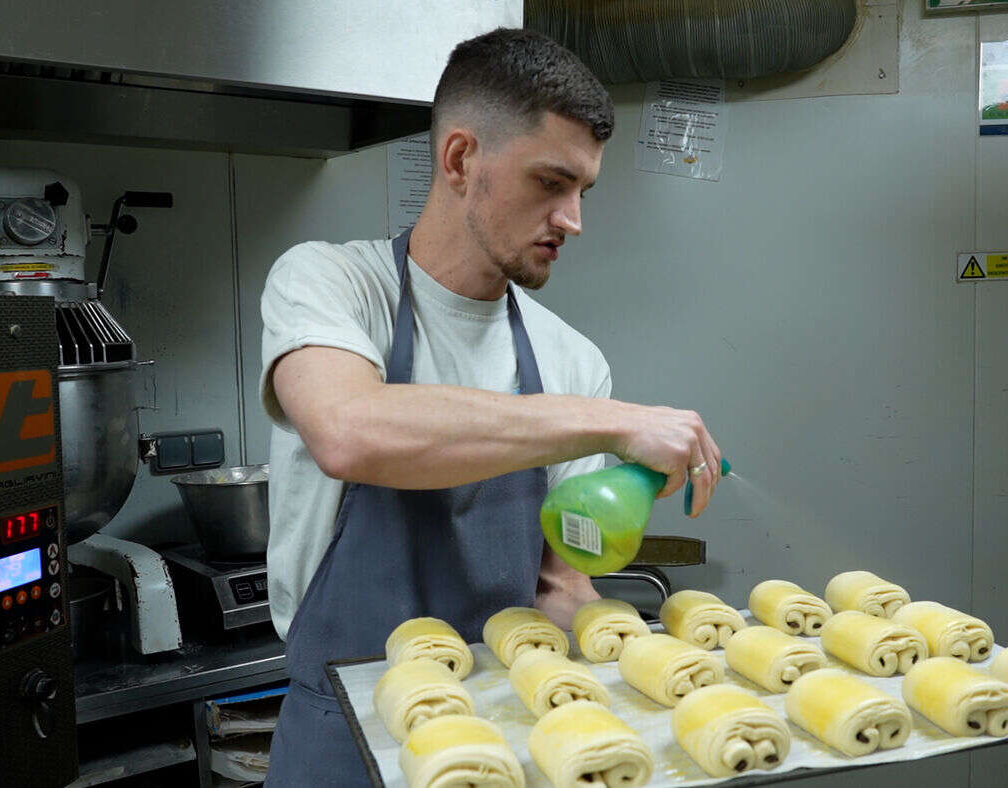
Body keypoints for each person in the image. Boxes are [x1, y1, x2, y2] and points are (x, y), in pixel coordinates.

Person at [260, 27, 723, 784]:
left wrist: (653, 675)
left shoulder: (574, 361)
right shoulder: (332, 285)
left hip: (497, 742)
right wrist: (610, 422)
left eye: (583, 191)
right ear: (459, 159)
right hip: (340, 738)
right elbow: (350, 431)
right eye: (551, 182)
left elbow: (554, 578)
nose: (573, 219)